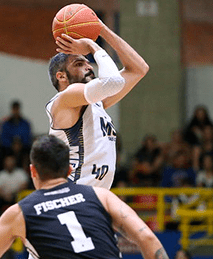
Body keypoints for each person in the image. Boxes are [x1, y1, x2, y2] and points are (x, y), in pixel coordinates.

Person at [0, 135, 169, 259]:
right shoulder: (101, 196)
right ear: (70, 170)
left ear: (33, 171)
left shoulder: (19, 213)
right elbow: (148, 238)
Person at [46, 20, 149, 190]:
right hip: (72, 195)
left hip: (90, 198)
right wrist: (92, 46)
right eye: (79, 64)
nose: (89, 66)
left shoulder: (95, 103)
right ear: (61, 76)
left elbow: (139, 68)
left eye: (88, 61)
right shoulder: (65, 99)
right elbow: (112, 82)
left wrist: (101, 29)